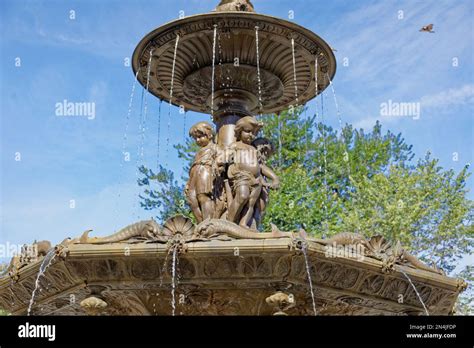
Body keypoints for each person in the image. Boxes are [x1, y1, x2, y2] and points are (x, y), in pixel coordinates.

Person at [227, 116, 264, 227]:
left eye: (253, 133)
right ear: (239, 131)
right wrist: (224, 159)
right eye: (248, 131)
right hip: (242, 176)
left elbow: (260, 165)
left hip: (256, 179)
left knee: (251, 203)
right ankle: (229, 223)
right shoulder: (235, 145)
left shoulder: (253, 148)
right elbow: (226, 155)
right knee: (242, 196)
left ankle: (243, 223)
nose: (251, 135)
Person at [185, 121, 217, 223]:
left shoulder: (215, 147)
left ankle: (208, 223)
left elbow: (222, 158)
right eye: (195, 138)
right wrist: (188, 183)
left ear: (210, 135)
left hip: (205, 172)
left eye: (200, 137)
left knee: (203, 197)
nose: (198, 140)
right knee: (191, 199)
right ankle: (201, 223)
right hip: (194, 175)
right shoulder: (199, 152)